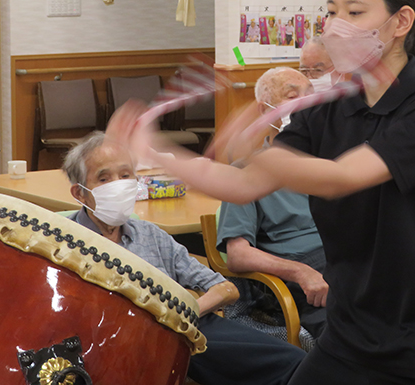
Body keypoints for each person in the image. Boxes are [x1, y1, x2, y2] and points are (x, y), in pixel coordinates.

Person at [108, 0, 415, 384]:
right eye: (332, 11)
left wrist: (263, 154)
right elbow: (243, 184)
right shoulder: (327, 109)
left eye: (355, 12)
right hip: (350, 331)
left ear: (401, 22)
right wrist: (153, 150)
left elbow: (342, 178)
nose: (336, 26)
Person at [63, 132, 306, 385]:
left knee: (294, 364)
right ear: (80, 193)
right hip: (112, 340)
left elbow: (226, 289)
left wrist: (182, 314)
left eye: (125, 175)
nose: (118, 184)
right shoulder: (64, 241)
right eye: (104, 178)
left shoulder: (151, 235)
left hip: (185, 328)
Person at [216, 67, 327, 339]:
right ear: (265, 110)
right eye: (292, 96)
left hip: (347, 261)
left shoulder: (329, 164)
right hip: (304, 272)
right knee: (356, 329)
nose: (305, 103)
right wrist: (300, 272)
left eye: (310, 95)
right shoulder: (247, 172)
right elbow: (238, 255)